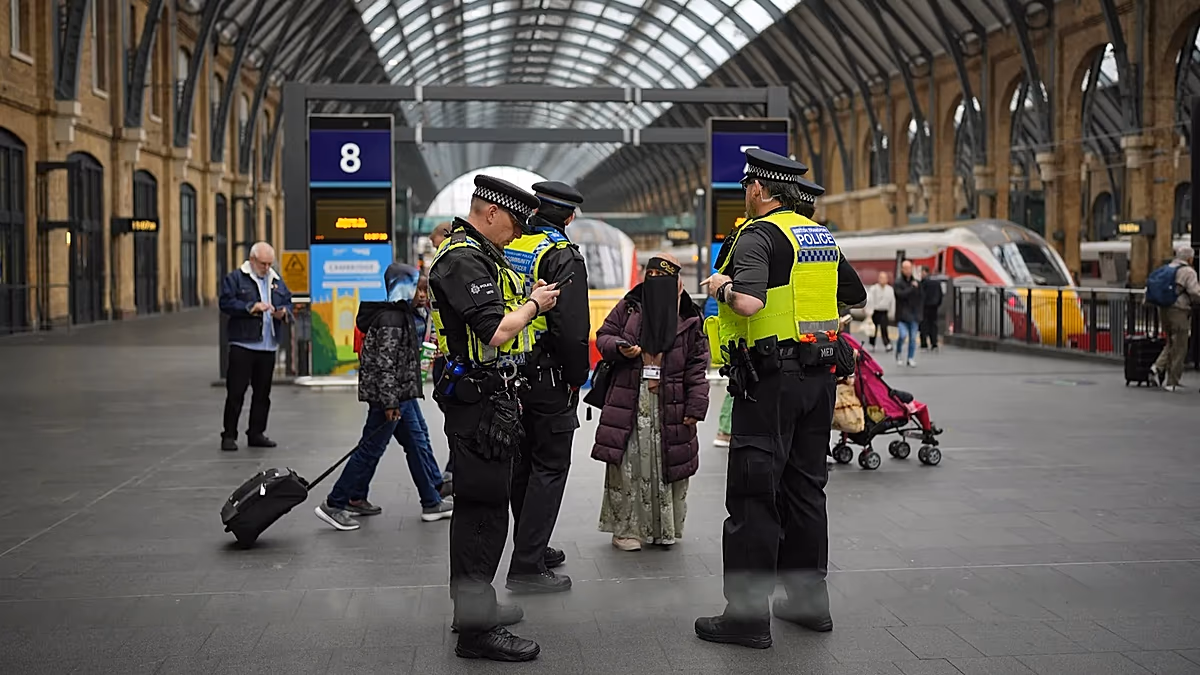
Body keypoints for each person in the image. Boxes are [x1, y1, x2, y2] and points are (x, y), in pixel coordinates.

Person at [696, 148, 866, 649]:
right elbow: (851, 296)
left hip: (770, 382)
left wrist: (721, 285)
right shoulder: (819, 237)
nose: (745, 194)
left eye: (747, 186)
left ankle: (747, 618)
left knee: (753, 494)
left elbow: (749, 301)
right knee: (806, 490)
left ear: (759, 190)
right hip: (819, 379)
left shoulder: (757, 235)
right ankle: (809, 605)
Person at [427, 174, 561, 662]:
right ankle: (477, 632)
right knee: (482, 515)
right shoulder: (464, 259)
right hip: (477, 405)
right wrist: (535, 304)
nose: (518, 232)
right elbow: (497, 331)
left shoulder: (477, 253)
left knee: (482, 509)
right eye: (515, 222)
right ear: (490, 213)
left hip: (485, 400)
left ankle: (475, 611)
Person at [314, 264, 452, 530]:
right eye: (417, 289)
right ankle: (335, 503)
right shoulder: (392, 319)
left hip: (401, 393)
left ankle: (430, 500)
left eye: (424, 290)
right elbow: (384, 363)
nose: (422, 295)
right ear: (402, 288)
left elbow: (398, 357)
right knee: (371, 449)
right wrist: (390, 402)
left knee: (418, 442)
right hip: (391, 396)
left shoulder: (405, 315)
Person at [503, 181, 591, 594]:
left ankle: (531, 545)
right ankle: (526, 566)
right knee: (550, 466)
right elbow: (572, 330)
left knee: (523, 465)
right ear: (569, 216)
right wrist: (576, 378)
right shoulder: (560, 255)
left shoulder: (510, 245)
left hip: (509, 371)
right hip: (548, 375)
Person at [592, 253, 709, 551]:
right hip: (630, 399)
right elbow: (604, 335)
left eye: (665, 279)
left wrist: (696, 406)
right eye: (652, 277)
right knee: (628, 466)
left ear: (679, 284)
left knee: (666, 464)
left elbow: (698, 366)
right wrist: (620, 347)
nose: (657, 285)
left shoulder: (690, 318)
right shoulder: (629, 306)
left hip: (671, 403)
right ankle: (625, 529)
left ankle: (662, 529)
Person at [218, 242, 292, 452]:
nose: (267, 268)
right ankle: (229, 435)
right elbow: (225, 303)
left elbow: (287, 300)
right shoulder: (235, 278)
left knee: (262, 394)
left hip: (267, 345)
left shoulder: (275, 280)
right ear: (252, 260)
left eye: (270, 263)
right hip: (243, 343)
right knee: (236, 392)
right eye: (263, 263)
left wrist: (283, 312)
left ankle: (256, 432)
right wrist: (250, 307)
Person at [1149, 245, 1200, 392]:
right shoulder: (1188, 272)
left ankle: (1156, 368)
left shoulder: (1167, 268)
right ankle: (1172, 382)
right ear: (1189, 258)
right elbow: (1195, 292)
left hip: (1163, 309)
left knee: (1171, 342)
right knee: (1181, 346)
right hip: (1179, 311)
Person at [893, 260, 922, 367]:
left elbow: (920, 297)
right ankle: (899, 352)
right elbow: (900, 295)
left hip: (914, 315)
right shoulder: (898, 283)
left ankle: (910, 358)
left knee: (913, 338)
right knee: (903, 335)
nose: (909, 271)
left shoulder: (916, 282)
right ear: (902, 269)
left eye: (910, 268)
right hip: (902, 316)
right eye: (906, 268)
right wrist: (911, 288)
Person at [865, 271, 894, 352]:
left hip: (884, 311)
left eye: (884, 278)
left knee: (884, 328)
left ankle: (887, 343)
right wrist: (869, 312)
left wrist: (892, 312)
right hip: (875, 311)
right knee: (873, 329)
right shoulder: (873, 289)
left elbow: (892, 302)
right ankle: (872, 343)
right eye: (881, 278)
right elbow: (870, 300)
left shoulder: (890, 289)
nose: (882, 280)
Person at [918, 266, 943, 351]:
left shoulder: (923, 283)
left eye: (921, 272)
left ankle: (924, 343)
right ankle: (934, 343)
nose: (921, 274)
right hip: (934, 307)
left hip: (925, 307)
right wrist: (937, 303)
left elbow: (920, 295)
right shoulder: (936, 282)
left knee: (923, 325)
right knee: (933, 325)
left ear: (925, 272)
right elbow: (940, 295)